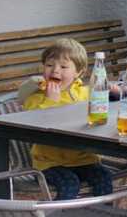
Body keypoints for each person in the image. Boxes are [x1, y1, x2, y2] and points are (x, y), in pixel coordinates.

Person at [23, 38, 114, 201]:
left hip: (84, 158)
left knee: (104, 178)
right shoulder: (36, 98)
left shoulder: (86, 93)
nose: (55, 71)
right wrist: (51, 101)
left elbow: (103, 109)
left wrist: (114, 91)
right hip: (50, 163)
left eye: (64, 67)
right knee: (70, 183)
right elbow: (32, 125)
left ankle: (101, 214)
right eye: (49, 65)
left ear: (78, 72)